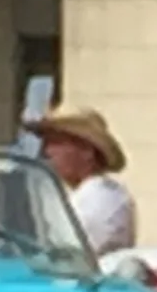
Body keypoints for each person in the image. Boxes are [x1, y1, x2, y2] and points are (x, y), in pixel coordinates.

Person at [26, 105, 135, 255]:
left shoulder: (100, 197)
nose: (46, 151)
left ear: (86, 151)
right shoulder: (81, 194)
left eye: (56, 142)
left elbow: (67, 256)